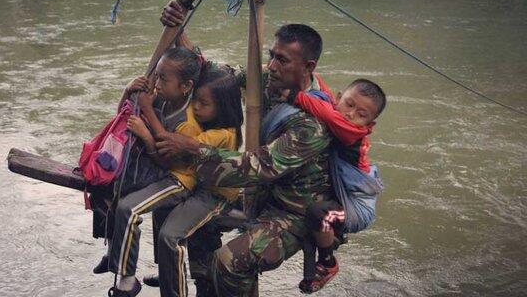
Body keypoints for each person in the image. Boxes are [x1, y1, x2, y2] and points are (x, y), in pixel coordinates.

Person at [156, 21, 337, 296]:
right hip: (259, 194)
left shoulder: (312, 123)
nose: (273, 65)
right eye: (272, 56)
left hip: (294, 211)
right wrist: (179, 28)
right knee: (192, 219)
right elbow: (213, 72)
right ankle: (206, 288)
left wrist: (195, 148)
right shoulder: (266, 79)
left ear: (308, 67)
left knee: (229, 262)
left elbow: (260, 167)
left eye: (283, 60)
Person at [107, 52, 243, 297]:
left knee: (159, 228)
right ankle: (155, 269)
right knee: (117, 191)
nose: (197, 107)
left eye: (204, 103)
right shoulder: (168, 98)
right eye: (196, 101)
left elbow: (170, 149)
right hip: (175, 174)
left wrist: (147, 116)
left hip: (189, 182)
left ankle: (132, 278)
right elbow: (126, 113)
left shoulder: (208, 130)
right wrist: (130, 91)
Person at [284, 78, 387, 293]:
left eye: (362, 115)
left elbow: (330, 114)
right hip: (347, 195)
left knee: (320, 214)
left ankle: (328, 262)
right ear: (339, 97)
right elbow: (326, 96)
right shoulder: (336, 106)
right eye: (349, 105)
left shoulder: (353, 133)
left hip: (358, 208)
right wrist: (312, 77)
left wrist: (296, 96)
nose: (351, 115)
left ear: (370, 125)